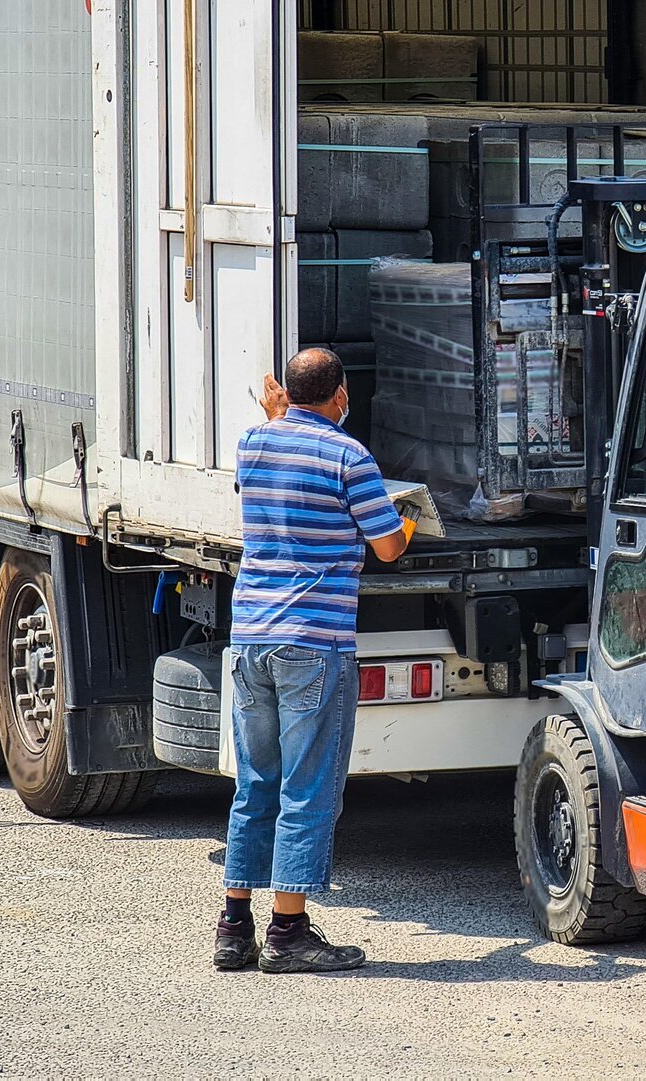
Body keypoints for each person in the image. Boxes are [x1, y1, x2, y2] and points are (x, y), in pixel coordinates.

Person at [213, 348, 415, 974]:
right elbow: (385, 549)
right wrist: (406, 521)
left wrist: (277, 417)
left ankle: (233, 927)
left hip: (251, 638)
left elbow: (265, 465)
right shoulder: (350, 457)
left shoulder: (253, 444)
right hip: (314, 644)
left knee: (255, 786)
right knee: (307, 790)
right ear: (341, 395)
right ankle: (289, 933)